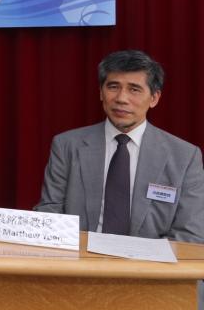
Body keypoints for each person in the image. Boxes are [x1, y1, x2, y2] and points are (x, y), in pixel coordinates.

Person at [35, 50, 204, 242]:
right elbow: (49, 215)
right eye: (113, 87)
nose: (121, 98)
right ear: (101, 92)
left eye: (134, 89)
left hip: (151, 267)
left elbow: (191, 234)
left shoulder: (185, 156)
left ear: (154, 98)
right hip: (81, 263)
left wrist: (139, 264)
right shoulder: (67, 145)